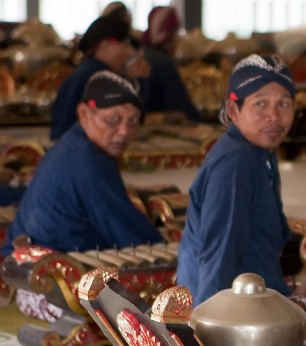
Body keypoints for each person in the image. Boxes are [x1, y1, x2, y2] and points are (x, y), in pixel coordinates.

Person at [176, 54, 296, 305]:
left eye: (284, 104)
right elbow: (219, 253)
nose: (273, 116)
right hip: (233, 310)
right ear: (233, 110)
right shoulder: (235, 163)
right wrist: (209, 328)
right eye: (260, 104)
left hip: (257, 294)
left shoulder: (260, 152)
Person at [2, 70, 163, 256]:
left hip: (29, 263)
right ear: (85, 113)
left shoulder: (72, 143)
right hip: (51, 276)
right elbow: (134, 238)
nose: (124, 131)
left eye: (134, 121)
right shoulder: (88, 163)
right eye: (113, 120)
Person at [51, 15, 150, 141]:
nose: (129, 52)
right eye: (125, 45)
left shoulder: (85, 71)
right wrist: (139, 81)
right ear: (107, 45)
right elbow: (132, 121)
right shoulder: (101, 78)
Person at [140, 6, 201, 121]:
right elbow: (183, 108)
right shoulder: (163, 63)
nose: (179, 39)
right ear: (169, 35)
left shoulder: (142, 53)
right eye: (176, 32)